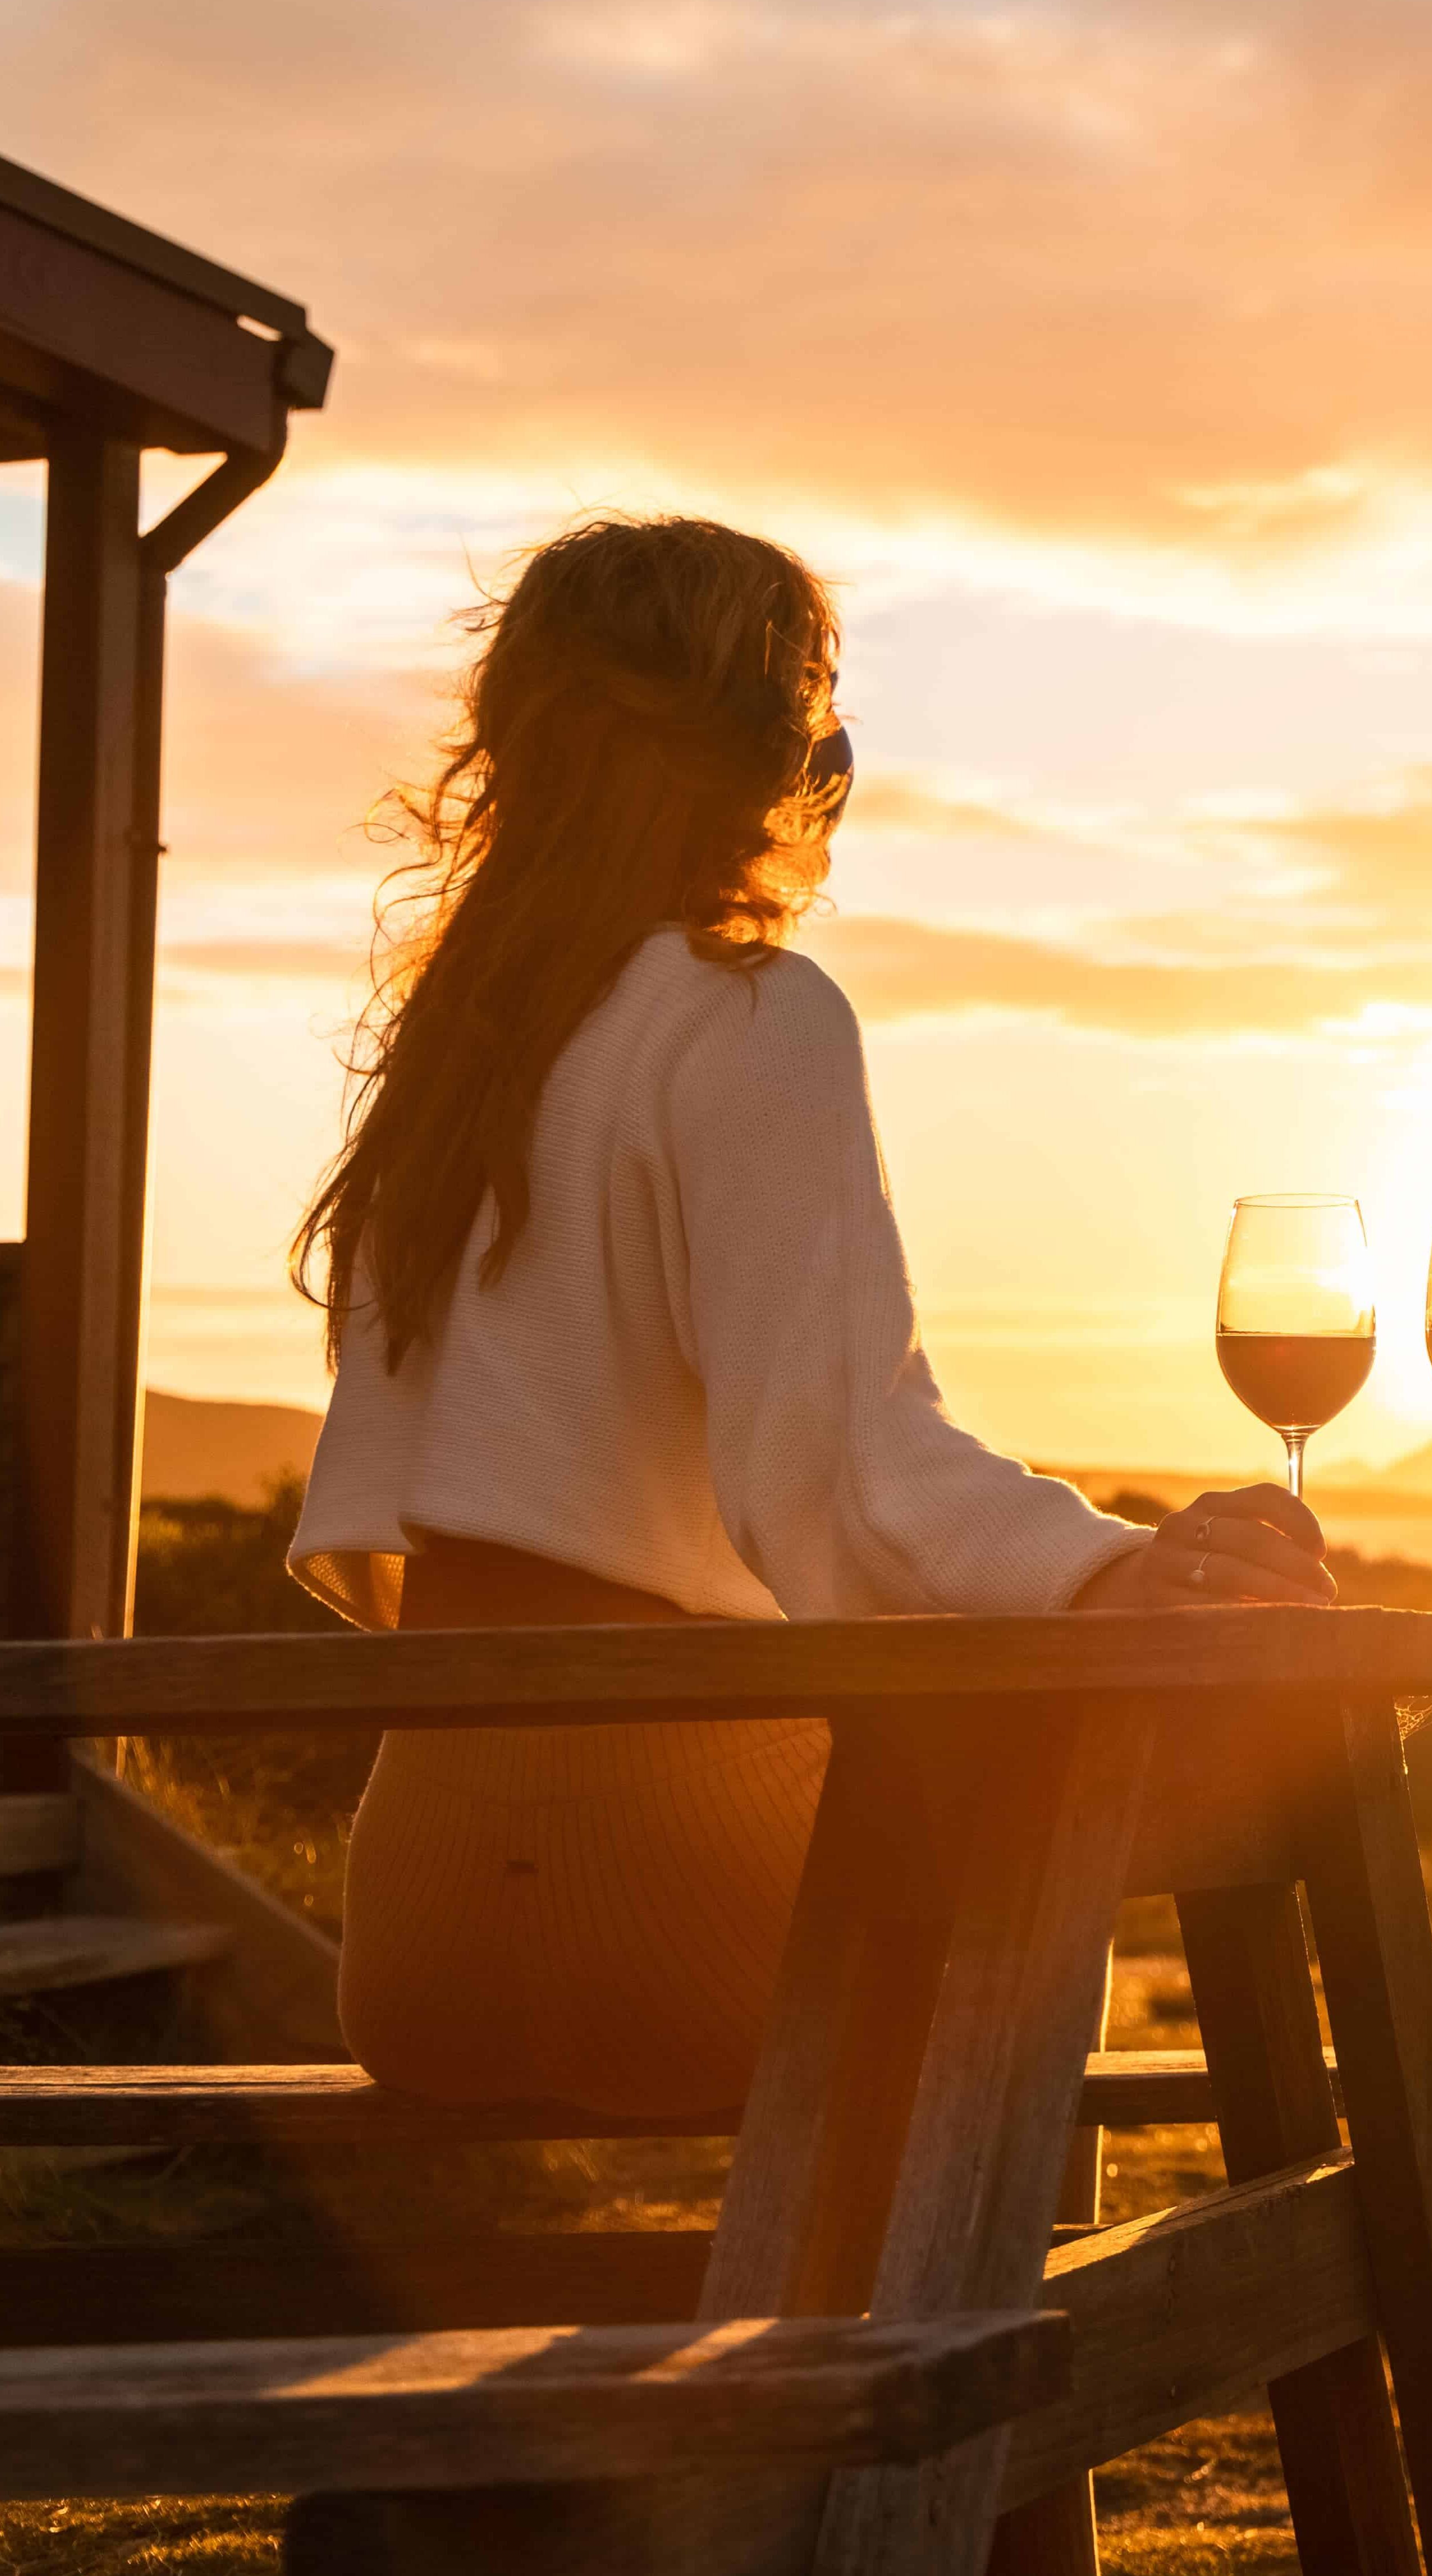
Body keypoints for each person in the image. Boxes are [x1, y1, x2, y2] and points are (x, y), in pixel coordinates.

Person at [288, 514, 1334, 2116]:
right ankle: (980, 2357)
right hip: (666, 1870)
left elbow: (393, 1525)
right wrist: (1116, 1569)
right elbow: (846, 1483)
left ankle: (853, 2340)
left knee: (962, 1873)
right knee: (1049, 1915)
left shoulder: (453, 1061)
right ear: (778, 762)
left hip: (419, 1913)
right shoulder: (749, 1014)